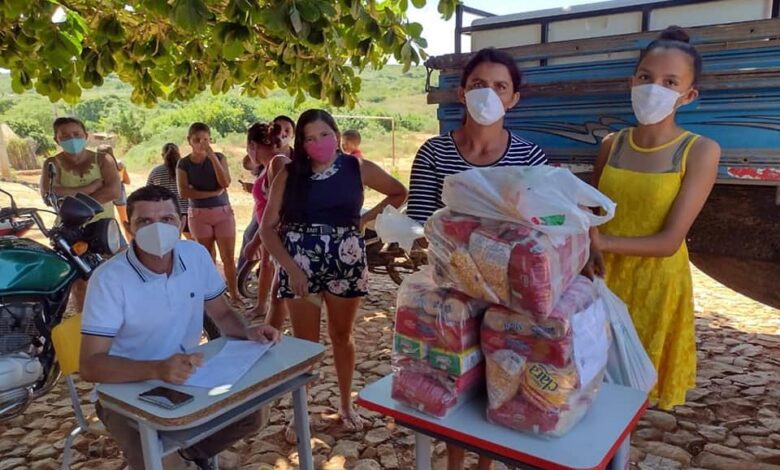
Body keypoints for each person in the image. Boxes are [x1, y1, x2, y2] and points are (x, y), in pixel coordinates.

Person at [406, 48, 548, 470]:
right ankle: (453, 462)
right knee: (453, 381)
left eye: (499, 86)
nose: (488, 94)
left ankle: (484, 464)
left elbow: (538, 237)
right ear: (461, 92)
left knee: (500, 386)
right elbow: (420, 225)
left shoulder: (530, 160)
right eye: (478, 85)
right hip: (449, 296)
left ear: (513, 98)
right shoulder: (434, 154)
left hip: (509, 303)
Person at [79, 185, 279, 470]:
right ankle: (178, 457)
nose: (157, 229)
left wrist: (247, 331)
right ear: (128, 226)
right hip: (125, 393)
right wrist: (157, 369)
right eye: (145, 221)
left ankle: (189, 454)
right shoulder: (109, 279)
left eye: (167, 220)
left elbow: (221, 313)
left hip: (190, 376)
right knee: (158, 462)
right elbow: (90, 366)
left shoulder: (195, 255)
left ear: (182, 222)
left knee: (253, 414)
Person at [591, 26, 721, 410]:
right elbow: (594, 212)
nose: (653, 88)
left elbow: (670, 241)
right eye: (646, 78)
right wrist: (588, 246)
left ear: (688, 95)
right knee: (589, 380)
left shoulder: (699, 152)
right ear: (632, 81)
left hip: (655, 287)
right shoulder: (611, 145)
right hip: (601, 278)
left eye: (669, 82)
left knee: (633, 394)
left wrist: (602, 243)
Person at [260, 109, 407, 437]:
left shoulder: (356, 167)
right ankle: (300, 411)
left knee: (342, 336)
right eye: (309, 138)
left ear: (337, 135)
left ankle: (345, 404)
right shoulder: (289, 173)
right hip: (300, 266)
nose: (318, 143)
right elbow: (267, 229)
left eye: (324, 134)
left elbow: (398, 191)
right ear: (301, 143)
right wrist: (291, 268)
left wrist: (365, 218)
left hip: (347, 263)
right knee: (305, 344)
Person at [40, 117, 121, 313]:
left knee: (114, 275)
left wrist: (71, 197)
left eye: (76, 135)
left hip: (103, 229)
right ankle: (86, 323)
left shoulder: (103, 160)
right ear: (56, 140)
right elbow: (48, 194)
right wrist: (88, 188)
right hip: (70, 230)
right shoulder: (52, 164)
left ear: (86, 136)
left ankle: (118, 320)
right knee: (79, 281)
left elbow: (113, 191)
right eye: (65, 136)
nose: (72, 139)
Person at [176, 123, 241, 304]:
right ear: (189, 141)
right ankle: (214, 296)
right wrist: (212, 193)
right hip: (199, 214)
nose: (202, 144)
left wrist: (212, 157)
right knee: (207, 257)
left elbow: (225, 182)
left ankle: (235, 295)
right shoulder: (184, 163)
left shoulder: (219, 157)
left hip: (223, 213)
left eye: (205, 139)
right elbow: (184, 192)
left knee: (228, 257)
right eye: (197, 140)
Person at [147, 143, 191, 239]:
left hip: (165, 214)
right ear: (179, 154)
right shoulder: (185, 170)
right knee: (193, 242)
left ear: (162, 156)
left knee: (170, 243)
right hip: (187, 212)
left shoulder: (155, 172)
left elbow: (148, 194)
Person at [99, 145, 132, 241]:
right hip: (119, 191)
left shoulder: (97, 165)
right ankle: (130, 242)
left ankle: (112, 242)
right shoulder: (119, 164)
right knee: (124, 220)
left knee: (107, 219)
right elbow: (127, 181)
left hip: (103, 192)